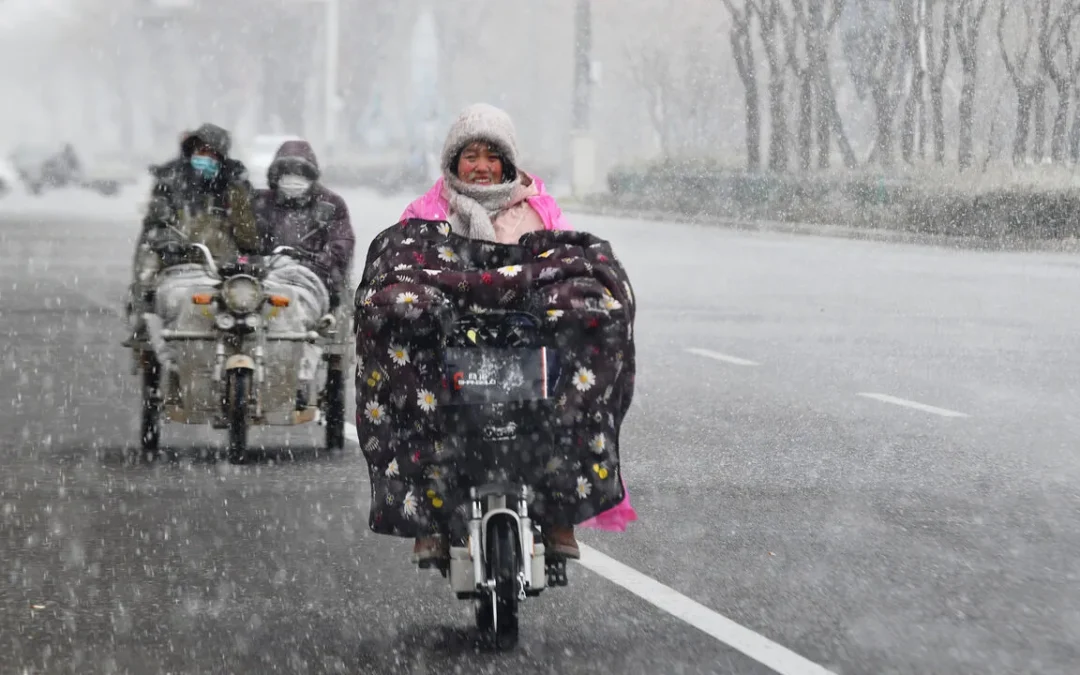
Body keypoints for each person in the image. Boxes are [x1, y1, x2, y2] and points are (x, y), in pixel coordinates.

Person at [399, 103, 636, 564]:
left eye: (492, 156)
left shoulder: (540, 210)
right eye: (471, 155)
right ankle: (430, 520)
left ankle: (559, 515)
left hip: (528, 344)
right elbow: (406, 270)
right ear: (453, 161)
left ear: (507, 162)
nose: (482, 166)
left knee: (570, 393)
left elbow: (569, 267)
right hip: (452, 345)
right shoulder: (424, 212)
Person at [254, 140, 355, 309]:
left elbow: (341, 245)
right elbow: (242, 239)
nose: (293, 180)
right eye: (287, 174)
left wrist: (312, 261)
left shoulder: (331, 203)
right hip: (264, 275)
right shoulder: (260, 202)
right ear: (276, 177)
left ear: (310, 177)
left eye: (299, 174)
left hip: (314, 278)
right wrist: (259, 261)